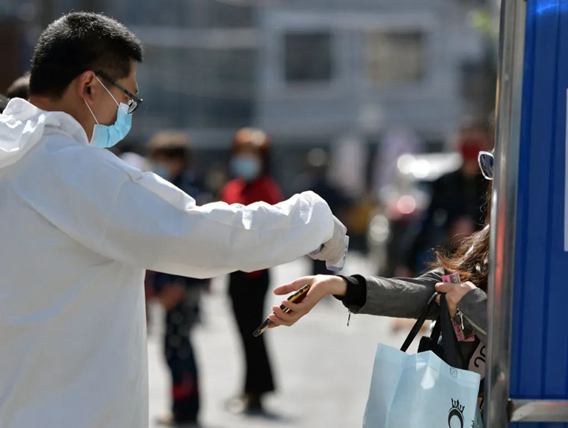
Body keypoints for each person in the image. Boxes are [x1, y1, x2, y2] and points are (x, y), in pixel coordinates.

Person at [0, 12, 346, 428]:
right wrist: (313, 219)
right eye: (126, 98)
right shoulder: (70, 168)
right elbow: (195, 234)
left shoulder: (13, 152)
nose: (125, 114)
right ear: (89, 85)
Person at [267, 150, 495, 404]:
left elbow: (520, 346)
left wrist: (470, 303)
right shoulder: (487, 241)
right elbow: (430, 290)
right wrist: (339, 285)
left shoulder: (527, 252)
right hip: (466, 406)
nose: (493, 184)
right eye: (488, 169)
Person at [145, 131, 211, 426]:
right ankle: (184, 407)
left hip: (180, 284)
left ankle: (185, 409)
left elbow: (187, 243)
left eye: (164, 160)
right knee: (176, 347)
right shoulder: (170, 188)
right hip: (174, 282)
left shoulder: (186, 192)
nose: (159, 166)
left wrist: (176, 283)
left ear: (178, 161)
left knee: (178, 348)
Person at [221, 128, 283, 415]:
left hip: (255, 272)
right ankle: (251, 388)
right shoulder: (232, 187)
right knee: (245, 332)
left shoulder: (267, 189)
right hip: (235, 269)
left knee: (253, 331)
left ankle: (255, 390)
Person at [407, 120, 491, 275]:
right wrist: (408, 263)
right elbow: (427, 222)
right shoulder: (445, 182)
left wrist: (474, 230)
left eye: (475, 142)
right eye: (467, 141)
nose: (470, 146)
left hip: (482, 257)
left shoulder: (491, 183)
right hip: (450, 257)